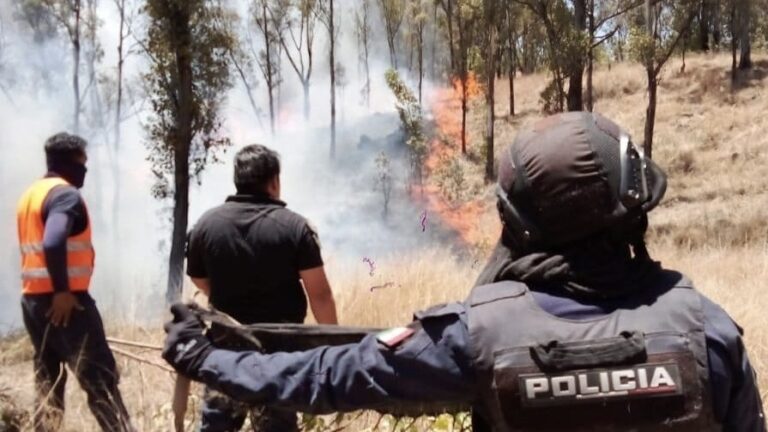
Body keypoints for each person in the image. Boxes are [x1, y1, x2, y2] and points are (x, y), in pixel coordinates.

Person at [164, 113, 765, 431]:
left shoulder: (478, 337)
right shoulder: (708, 332)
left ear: (520, 224)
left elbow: (324, 380)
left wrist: (204, 357)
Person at [185, 144, 338, 431]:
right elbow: (320, 293)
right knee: (276, 425)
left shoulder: (207, 225)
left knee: (217, 425)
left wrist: (224, 296)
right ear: (274, 182)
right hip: (278, 354)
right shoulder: (295, 227)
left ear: (237, 180)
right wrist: (333, 345)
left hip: (225, 348)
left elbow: (197, 278)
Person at [17, 133, 133, 431]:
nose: (86, 171)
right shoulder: (65, 195)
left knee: (48, 382)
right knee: (101, 381)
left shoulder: (32, 194)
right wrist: (63, 292)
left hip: (33, 302)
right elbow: (53, 241)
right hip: (67, 305)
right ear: (70, 163)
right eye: (83, 164)